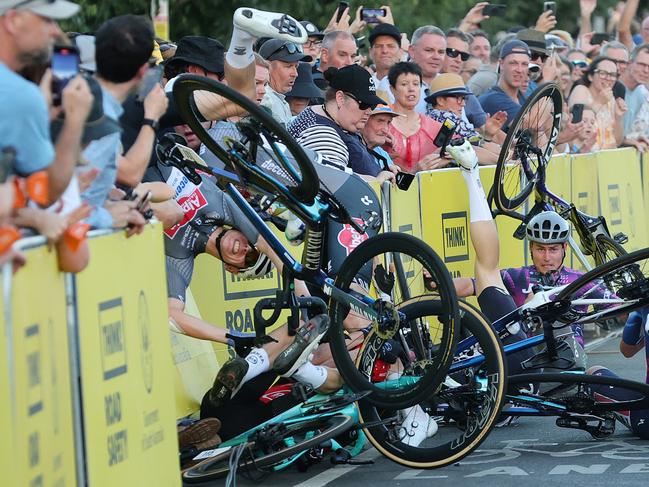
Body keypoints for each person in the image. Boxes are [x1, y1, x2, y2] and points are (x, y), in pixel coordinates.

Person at [0, 0, 92, 206]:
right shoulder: (20, 95)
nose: (55, 31)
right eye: (47, 19)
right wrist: (74, 121)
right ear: (13, 21)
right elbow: (48, 192)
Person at [288, 64, 388, 179]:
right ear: (340, 98)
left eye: (372, 105)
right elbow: (331, 185)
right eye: (364, 104)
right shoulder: (323, 136)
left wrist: (382, 170)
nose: (369, 111)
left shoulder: (324, 116)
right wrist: (377, 181)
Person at [585, 308, 649, 439]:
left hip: (646, 420)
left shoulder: (643, 306)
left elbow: (627, 350)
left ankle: (608, 413)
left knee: (593, 373)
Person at [425, 73, 502, 164]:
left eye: (464, 98)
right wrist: (509, 159)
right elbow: (477, 144)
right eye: (458, 98)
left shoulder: (429, 116)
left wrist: (487, 136)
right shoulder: (448, 118)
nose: (463, 104)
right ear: (440, 100)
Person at [382, 62, 445, 173]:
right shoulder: (380, 120)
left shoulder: (432, 126)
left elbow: (457, 147)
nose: (411, 89)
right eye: (404, 84)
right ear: (392, 89)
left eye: (416, 84)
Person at [568, 56, 627, 150]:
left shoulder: (611, 99)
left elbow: (617, 141)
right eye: (603, 73)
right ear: (590, 76)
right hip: (583, 156)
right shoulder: (581, 90)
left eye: (612, 75)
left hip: (605, 158)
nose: (608, 78)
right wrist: (599, 102)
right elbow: (577, 129)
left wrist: (618, 118)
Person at [259, 38, 312, 127]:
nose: (295, 74)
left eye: (296, 66)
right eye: (288, 66)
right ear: (268, 67)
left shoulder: (281, 101)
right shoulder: (265, 99)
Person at [479, 40, 531, 129]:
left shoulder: (522, 97)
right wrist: (548, 83)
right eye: (513, 63)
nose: (519, 70)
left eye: (524, 64)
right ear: (501, 64)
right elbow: (532, 124)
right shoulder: (493, 98)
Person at [407, 25, 446, 114]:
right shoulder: (391, 83)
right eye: (429, 50)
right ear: (412, 51)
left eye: (441, 52)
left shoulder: (449, 85)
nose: (436, 57)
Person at [368, 23, 402, 104]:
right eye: (379, 46)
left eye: (390, 46)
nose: (385, 51)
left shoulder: (412, 84)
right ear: (370, 52)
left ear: (400, 52)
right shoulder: (364, 85)